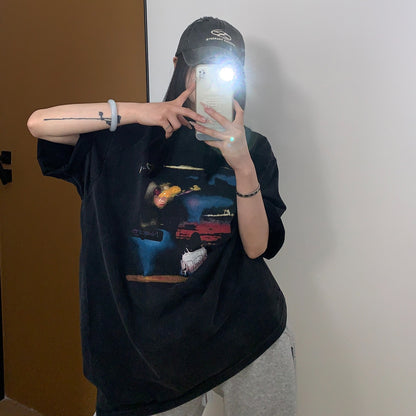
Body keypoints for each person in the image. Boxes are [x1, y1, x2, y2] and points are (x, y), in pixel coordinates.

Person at [27, 16, 296, 416]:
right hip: (142, 355)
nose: (209, 83)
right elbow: (39, 123)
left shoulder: (252, 147)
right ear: (177, 66)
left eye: (225, 70)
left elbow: (257, 247)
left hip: (245, 332)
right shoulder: (120, 138)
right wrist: (137, 112)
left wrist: (242, 165)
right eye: (201, 68)